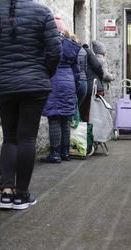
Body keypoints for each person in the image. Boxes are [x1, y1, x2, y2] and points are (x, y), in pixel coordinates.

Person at [0, 0, 62, 210]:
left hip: (5, 85)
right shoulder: (43, 12)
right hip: (34, 85)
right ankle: (22, 194)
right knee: (27, 139)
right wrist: (44, 73)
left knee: (10, 138)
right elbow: (55, 51)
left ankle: (6, 193)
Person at [41, 25, 81, 163]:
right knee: (65, 119)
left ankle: (55, 154)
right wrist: (75, 87)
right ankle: (65, 153)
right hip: (69, 82)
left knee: (54, 118)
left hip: (54, 81)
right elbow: (77, 71)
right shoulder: (71, 46)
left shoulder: (49, 44)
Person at [79, 43, 104, 122]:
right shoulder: (87, 51)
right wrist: (100, 79)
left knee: (85, 113)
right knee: (95, 113)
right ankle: (92, 132)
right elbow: (98, 67)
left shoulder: (74, 52)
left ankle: (87, 131)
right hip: (94, 87)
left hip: (84, 87)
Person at [71, 34, 88, 107]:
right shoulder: (83, 51)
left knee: (72, 108)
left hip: (73, 81)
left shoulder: (70, 50)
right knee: (77, 107)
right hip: (84, 81)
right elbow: (85, 67)